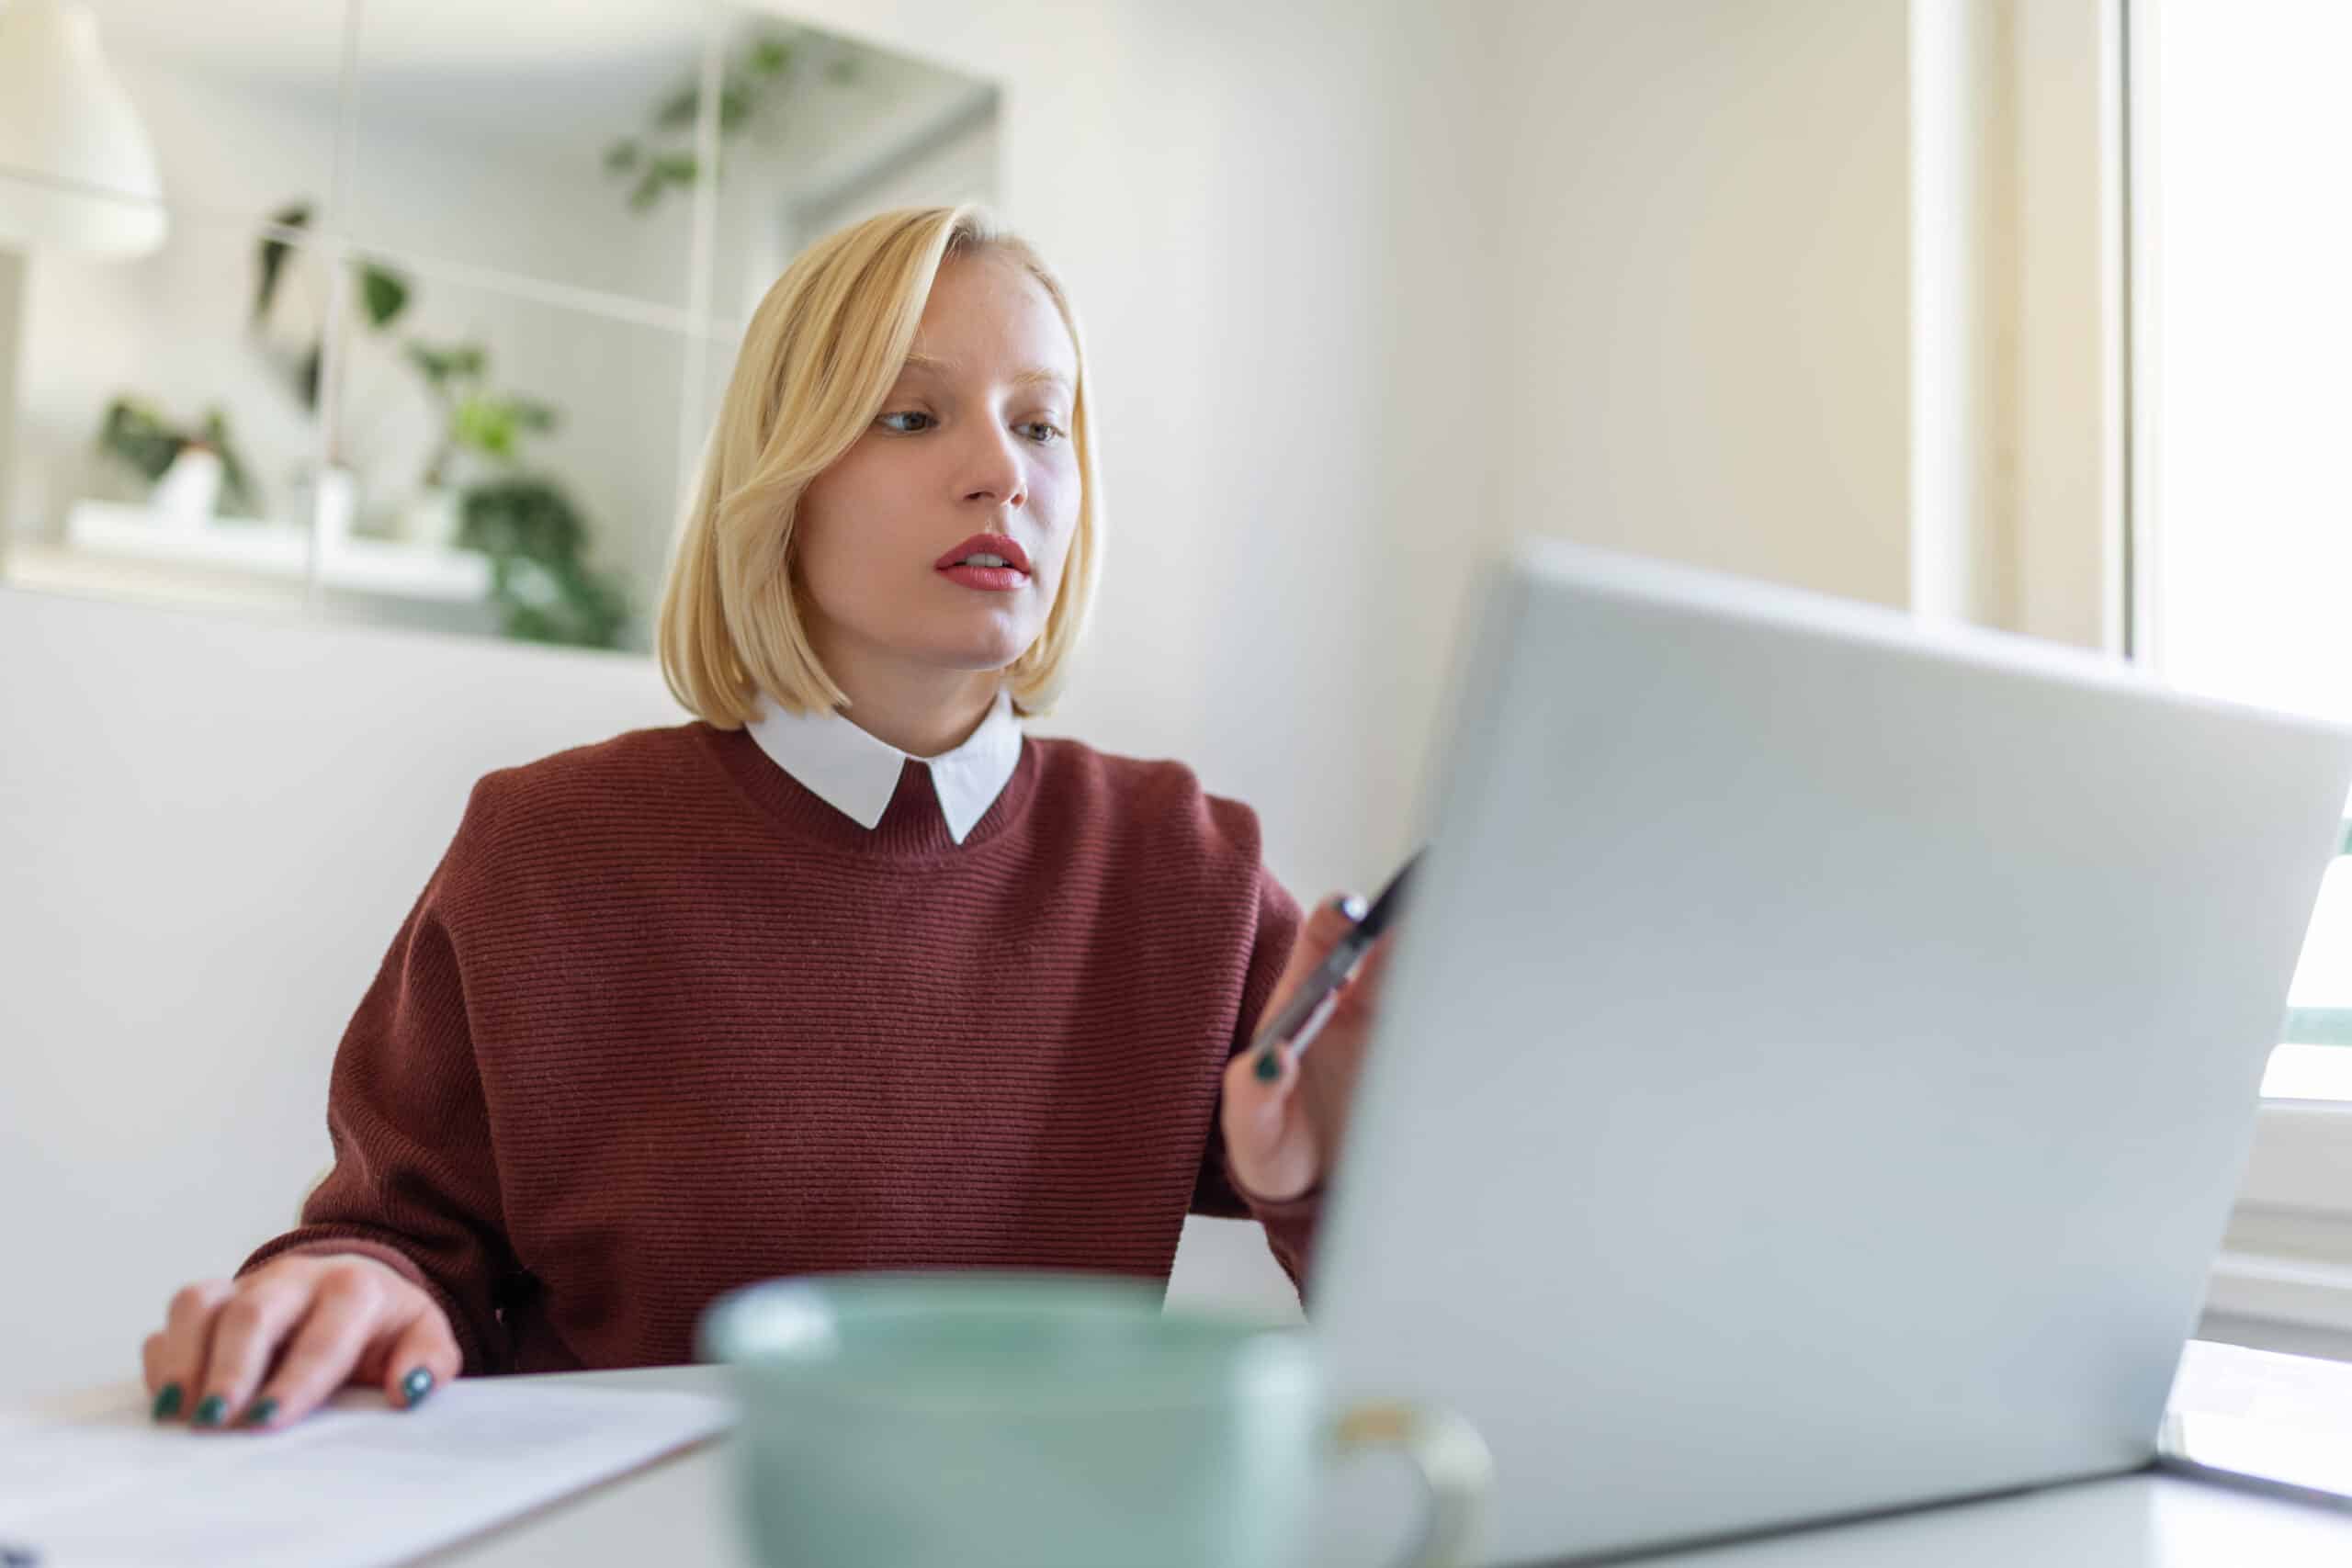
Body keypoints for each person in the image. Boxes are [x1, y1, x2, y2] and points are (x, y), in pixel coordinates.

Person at [136, 204, 1396, 1434]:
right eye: (913, 414)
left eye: (1042, 426)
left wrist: (1327, 1183)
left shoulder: (1184, 864)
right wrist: (359, 1292)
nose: (1002, 474)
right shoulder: (547, 847)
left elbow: (1417, 1287)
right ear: (782, 480)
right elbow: (405, 1245)